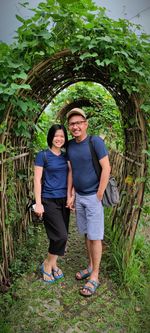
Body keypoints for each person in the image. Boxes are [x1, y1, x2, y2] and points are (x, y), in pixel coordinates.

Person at [67, 108, 111, 296]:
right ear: (69, 127)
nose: (75, 126)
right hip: (80, 197)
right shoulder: (70, 146)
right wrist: (71, 194)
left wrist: (99, 193)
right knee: (86, 234)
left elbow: (106, 168)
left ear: (85, 124)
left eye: (78, 123)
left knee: (95, 236)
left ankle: (95, 276)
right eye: (72, 124)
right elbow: (72, 171)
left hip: (93, 197)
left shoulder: (95, 142)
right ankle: (91, 265)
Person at [34, 124, 71, 283]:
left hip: (64, 200)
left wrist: (71, 196)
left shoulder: (65, 156)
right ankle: (47, 265)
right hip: (48, 200)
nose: (59, 139)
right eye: (56, 135)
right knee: (60, 235)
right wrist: (38, 203)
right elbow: (37, 180)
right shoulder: (43, 155)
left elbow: (72, 175)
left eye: (62, 136)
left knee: (60, 235)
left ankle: (54, 263)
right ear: (51, 136)